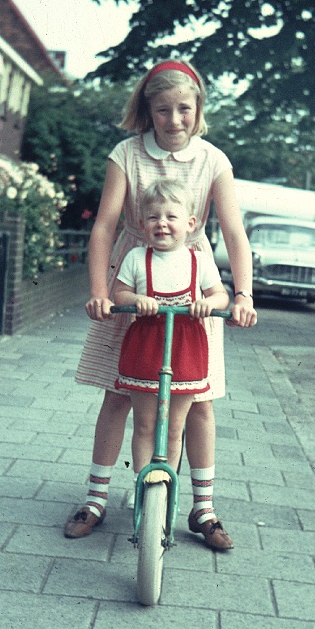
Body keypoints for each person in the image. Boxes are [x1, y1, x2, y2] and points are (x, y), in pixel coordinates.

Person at [64, 59, 257, 549]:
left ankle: (202, 508)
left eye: (184, 109)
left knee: (199, 400)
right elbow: (106, 224)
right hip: (136, 283)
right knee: (118, 391)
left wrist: (241, 294)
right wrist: (101, 292)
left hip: (193, 288)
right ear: (147, 110)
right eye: (164, 109)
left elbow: (233, 231)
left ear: (198, 109)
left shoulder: (214, 159)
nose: (175, 119)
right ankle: (96, 498)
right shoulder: (126, 153)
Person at [114, 178, 230, 496]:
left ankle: (166, 485)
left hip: (186, 347)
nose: (162, 224)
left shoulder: (199, 261)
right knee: (145, 424)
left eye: (171, 217)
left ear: (190, 224)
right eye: (153, 217)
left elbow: (221, 295)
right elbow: (119, 292)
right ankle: (143, 483)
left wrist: (209, 303)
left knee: (175, 426)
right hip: (146, 347)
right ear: (141, 224)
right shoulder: (137, 258)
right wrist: (137, 300)